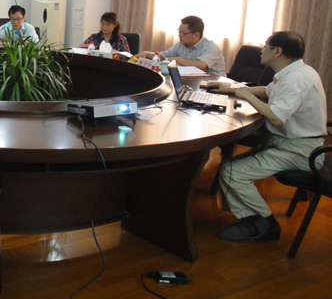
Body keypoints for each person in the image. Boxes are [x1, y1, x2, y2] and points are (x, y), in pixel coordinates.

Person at [215, 31, 327, 242]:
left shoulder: (295, 79)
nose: (261, 50)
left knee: (232, 172)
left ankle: (266, 224)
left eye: (265, 46)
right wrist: (233, 89)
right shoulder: (295, 72)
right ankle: (251, 219)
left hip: (299, 151)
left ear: (277, 51)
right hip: (288, 143)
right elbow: (268, 91)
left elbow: (276, 117)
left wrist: (246, 94)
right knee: (228, 169)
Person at [135, 15, 226, 76]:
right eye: (179, 32)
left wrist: (177, 59)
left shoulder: (211, 47)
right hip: (192, 81)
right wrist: (147, 54)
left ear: (196, 35)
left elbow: (201, 64)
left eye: (183, 33)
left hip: (215, 84)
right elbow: (163, 57)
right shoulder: (181, 45)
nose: (180, 35)